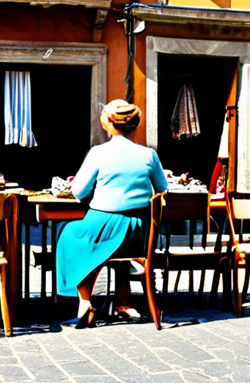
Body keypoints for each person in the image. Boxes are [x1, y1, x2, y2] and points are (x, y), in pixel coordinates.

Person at [56, 99, 168, 328]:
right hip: (139, 232)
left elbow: (78, 190)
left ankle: (84, 302)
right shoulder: (149, 155)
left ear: (108, 122)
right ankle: (123, 301)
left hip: (103, 225)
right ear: (134, 125)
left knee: (69, 233)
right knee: (102, 243)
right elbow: (163, 190)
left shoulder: (99, 153)